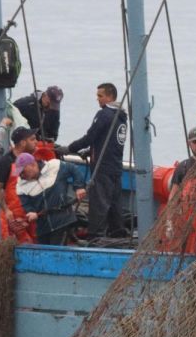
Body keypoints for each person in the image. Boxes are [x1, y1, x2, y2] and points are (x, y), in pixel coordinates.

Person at [62, 82, 129, 238]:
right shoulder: (121, 117)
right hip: (115, 166)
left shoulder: (104, 114)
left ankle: (96, 236)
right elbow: (109, 140)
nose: (97, 99)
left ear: (110, 97)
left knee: (99, 203)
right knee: (114, 203)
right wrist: (90, 150)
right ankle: (117, 233)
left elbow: (90, 136)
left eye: (100, 95)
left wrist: (70, 148)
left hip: (102, 167)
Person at [15, 152, 88, 245]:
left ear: (32, 164)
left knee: (57, 252)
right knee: (44, 253)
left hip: (62, 220)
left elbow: (74, 169)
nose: (21, 175)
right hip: (42, 227)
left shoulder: (55, 166)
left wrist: (79, 187)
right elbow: (26, 204)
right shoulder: (20, 186)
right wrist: (30, 212)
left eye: (22, 172)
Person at [0, 126, 38, 243]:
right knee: (16, 247)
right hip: (14, 216)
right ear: (22, 143)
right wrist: (6, 210)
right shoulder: (4, 162)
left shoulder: (33, 160)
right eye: (32, 139)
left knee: (37, 243)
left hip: (32, 213)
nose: (36, 142)